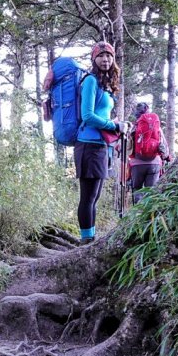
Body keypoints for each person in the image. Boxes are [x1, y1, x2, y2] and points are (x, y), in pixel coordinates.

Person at [74, 41, 123, 244]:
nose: (106, 59)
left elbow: (102, 114)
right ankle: (86, 240)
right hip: (88, 145)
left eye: (109, 56)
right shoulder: (91, 81)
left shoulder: (105, 84)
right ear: (94, 59)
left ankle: (90, 238)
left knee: (95, 196)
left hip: (101, 146)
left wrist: (117, 125)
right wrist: (113, 126)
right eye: (101, 56)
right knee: (88, 196)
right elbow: (87, 115)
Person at [128, 102, 170, 204]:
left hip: (137, 164)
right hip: (154, 163)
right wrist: (167, 157)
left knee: (137, 188)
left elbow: (125, 147)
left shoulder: (133, 127)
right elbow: (164, 145)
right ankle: (148, 217)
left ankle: (137, 214)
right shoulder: (157, 127)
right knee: (150, 191)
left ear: (136, 114)